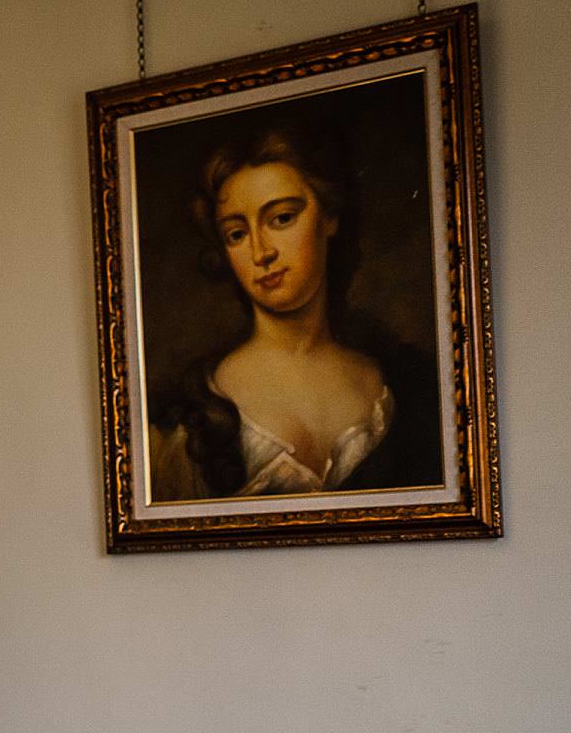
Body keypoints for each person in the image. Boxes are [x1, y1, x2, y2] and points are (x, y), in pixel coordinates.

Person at [147, 121, 444, 502]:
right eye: (236, 233)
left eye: (282, 218)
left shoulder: (405, 387)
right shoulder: (186, 412)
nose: (261, 251)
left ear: (329, 217)